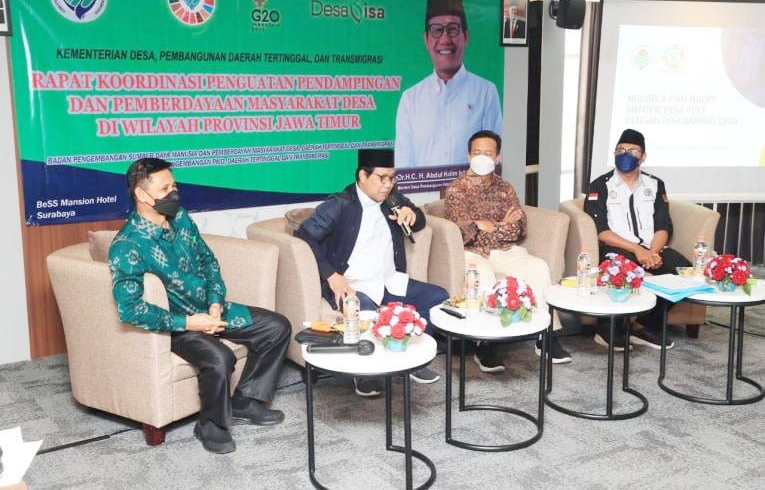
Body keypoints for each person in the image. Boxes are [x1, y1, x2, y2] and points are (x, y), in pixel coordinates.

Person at [109, 158, 291, 454]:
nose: (173, 193)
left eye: (174, 186)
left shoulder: (180, 217)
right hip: (177, 325)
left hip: (210, 309)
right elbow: (129, 309)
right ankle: (210, 426)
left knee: (276, 327)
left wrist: (215, 303)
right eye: (164, 189)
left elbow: (208, 262)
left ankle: (246, 401)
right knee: (219, 358)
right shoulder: (128, 244)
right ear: (142, 195)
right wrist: (191, 323)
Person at [295, 149, 449, 397]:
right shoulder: (339, 204)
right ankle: (365, 374)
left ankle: (408, 359)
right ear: (363, 176)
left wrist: (413, 214)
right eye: (382, 178)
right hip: (353, 284)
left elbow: (419, 220)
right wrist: (332, 276)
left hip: (389, 281)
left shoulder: (393, 198)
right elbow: (304, 235)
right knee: (366, 314)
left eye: (392, 178)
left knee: (439, 298)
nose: (388, 184)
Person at [445, 131, 572, 372]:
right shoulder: (456, 190)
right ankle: (486, 343)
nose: (482, 157)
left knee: (538, 267)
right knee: (482, 273)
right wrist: (498, 225)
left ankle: (546, 335)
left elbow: (519, 229)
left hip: (505, 251)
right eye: (477, 153)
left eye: (488, 153)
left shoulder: (505, 188)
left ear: (498, 158)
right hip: (471, 252)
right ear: (468, 156)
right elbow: (464, 233)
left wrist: (489, 226)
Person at [584, 128, 689, 350]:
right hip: (617, 247)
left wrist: (653, 252)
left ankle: (642, 327)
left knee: (685, 274)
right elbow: (600, 230)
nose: (626, 155)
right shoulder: (600, 185)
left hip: (652, 248)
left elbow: (663, 225)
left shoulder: (655, 184)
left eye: (632, 151)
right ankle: (607, 330)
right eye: (620, 150)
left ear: (643, 156)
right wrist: (637, 250)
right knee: (620, 271)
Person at [395, 0, 502, 169]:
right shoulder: (410, 99)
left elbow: (494, 156)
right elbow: (403, 164)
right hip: (424, 189)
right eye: (436, 30)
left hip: (472, 188)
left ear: (466, 37)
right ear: (426, 39)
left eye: (452, 29)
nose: (445, 39)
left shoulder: (485, 92)